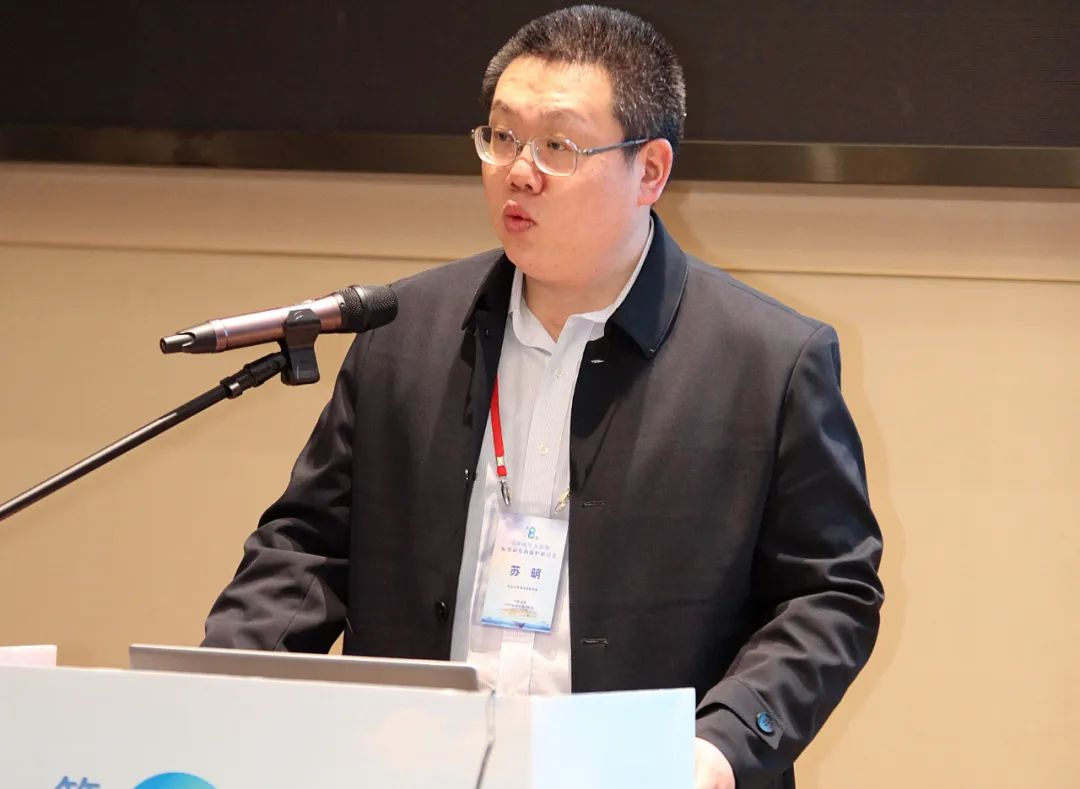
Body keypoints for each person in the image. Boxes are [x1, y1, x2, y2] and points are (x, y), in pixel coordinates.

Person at [202, 6, 884, 788]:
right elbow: (304, 547)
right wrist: (218, 687)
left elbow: (830, 593)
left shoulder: (768, 362)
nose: (518, 171)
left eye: (558, 145)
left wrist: (721, 743)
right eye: (501, 136)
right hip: (418, 767)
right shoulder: (402, 332)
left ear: (650, 172)